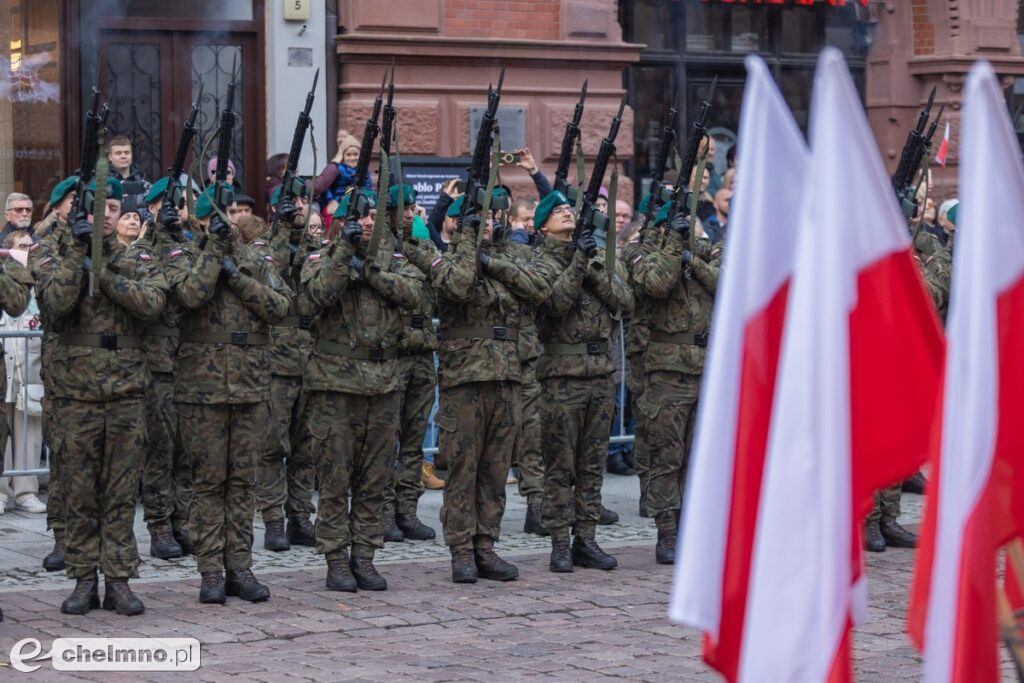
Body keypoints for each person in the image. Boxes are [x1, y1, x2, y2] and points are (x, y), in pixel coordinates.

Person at [38, 176, 167, 615]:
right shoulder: (58, 255)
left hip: (127, 392)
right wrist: (78, 255)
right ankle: (82, 579)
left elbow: (152, 304)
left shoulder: (139, 258)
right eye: (99, 208)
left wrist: (105, 271)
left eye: (113, 208)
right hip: (76, 395)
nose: (107, 216)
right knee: (80, 492)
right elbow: (54, 306)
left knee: (120, 491)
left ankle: (119, 580)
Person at [161, 177, 290, 605]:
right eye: (221, 213)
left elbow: (281, 307)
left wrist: (239, 277)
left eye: (235, 212)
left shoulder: (255, 257)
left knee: (242, 483)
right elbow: (189, 298)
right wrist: (216, 255)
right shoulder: (184, 257)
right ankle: (211, 570)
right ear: (200, 221)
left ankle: (241, 566)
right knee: (208, 482)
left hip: (251, 387)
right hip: (202, 390)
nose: (231, 219)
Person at [419, 194, 549, 584]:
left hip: (507, 373)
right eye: (479, 218)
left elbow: (539, 289)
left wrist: (492, 261)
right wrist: (470, 250)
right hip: (465, 378)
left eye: (495, 216)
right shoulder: (444, 259)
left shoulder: (514, 255)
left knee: (495, 469)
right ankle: (461, 548)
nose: (490, 222)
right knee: (464, 467)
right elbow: (457, 288)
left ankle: (486, 544)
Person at [300, 188, 424, 592]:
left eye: (374, 215)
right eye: (361, 216)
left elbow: (415, 295)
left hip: (385, 385)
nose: (369, 222)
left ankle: (365, 555)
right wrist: (343, 255)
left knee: (375, 479)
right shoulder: (322, 257)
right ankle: (336, 558)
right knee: (335, 479)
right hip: (336, 386)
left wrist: (369, 270)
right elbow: (314, 298)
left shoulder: (397, 260)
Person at [529, 191, 634, 572]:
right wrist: (577, 263)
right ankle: (559, 541)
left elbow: (624, 299)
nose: (566, 213)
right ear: (543, 226)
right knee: (560, 463)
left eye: (568, 209)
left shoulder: (592, 256)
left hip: (600, 374)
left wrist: (591, 265)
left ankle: (586, 537)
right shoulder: (538, 260)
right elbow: (553, 303)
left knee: (592, 463)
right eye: (557, 211)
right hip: (561, 376)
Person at [632, 204, 720, 564]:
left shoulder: (706, 252)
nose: (690, 228)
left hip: (708, 369)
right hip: (668, 371)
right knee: (666, 456)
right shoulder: (643, 255)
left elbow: (728, 281)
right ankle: (667, 530)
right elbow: (657, 283)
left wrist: (691, 257)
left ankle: (692, 526)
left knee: (698, 456)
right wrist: (673, 249)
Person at [256, 188, 316, 552]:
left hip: (310, 359)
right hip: (276, 361)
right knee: (272, 446)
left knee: (306, 447)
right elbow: (266, 273)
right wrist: (281, 235)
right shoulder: (263, 246)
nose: (298, 208)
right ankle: (273, 520)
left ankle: (300, 517)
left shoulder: (315, 247)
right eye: (289, 203)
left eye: (302, 201)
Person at [138, 178, 194, 560]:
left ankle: (184, 522)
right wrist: (159, 235)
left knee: (187, 451)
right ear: (154, 207)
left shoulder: (193, 247)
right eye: (169, 205)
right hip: (157, 364)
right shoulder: (141, 250)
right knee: (160, 450)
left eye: (183, 204)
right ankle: (160, 526)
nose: (177, 211)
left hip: (191, 362)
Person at [380, 184, 438, 543]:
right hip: (394, 351)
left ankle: (407, 510)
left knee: (415, 439)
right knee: (388, 440)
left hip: (422, 353)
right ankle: (383, 510)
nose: (408, 213)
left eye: (413, 207)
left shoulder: (423, 246)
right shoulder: (379, 247)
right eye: (401, 207)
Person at [0, 231, 44, 514]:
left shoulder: (38, 280)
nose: (26, 251)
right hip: (6, 365)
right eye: (20, 246)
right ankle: (1, 492)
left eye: (29, 246)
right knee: (2, 433)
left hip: (31, 369)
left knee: (29, 431)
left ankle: (27, 491)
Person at [314, 132, 370, 223]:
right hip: (337, 202)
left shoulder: (365, 171)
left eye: (356, 154)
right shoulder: (338, 169)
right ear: (343, 156)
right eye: (348, 155)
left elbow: (367, 188)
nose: (352, 158)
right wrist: (331, 200)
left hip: (357, 202)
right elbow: (327, 187)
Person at [106, 136, 151, 215]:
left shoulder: (143, 182)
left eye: (127, 152)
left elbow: (151, 209)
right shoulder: (104, 182)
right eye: (118, 153)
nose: (123, 156)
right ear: (110, 157)